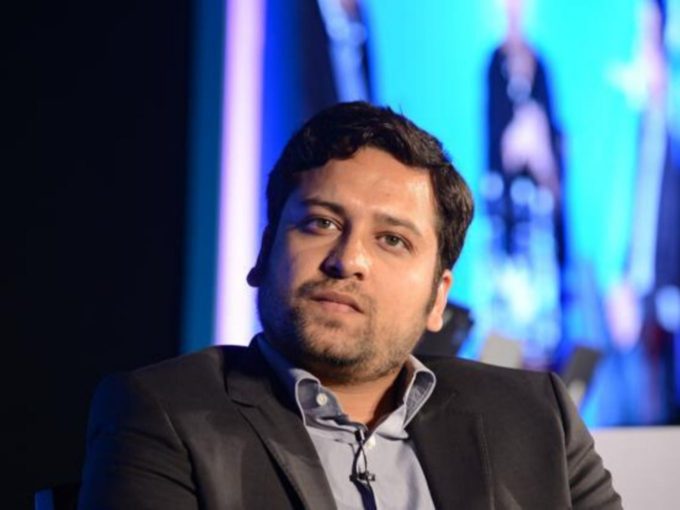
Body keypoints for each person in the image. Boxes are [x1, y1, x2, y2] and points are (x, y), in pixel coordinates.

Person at [78, 102, 621, 509]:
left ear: (439, 297)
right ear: (265, 253)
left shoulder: (536, 416)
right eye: (322, 223)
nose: (348, 260)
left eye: (392, 240)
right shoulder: (161, 413)